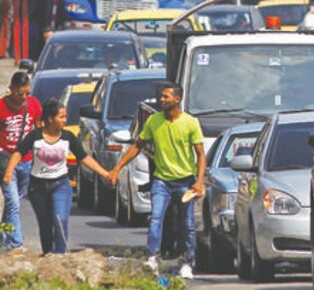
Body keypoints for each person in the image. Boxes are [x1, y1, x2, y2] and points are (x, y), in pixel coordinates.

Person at [108, 83, 205, 279]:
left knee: (187, 224)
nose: (162, 100)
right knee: (156, 218)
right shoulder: (153, 121)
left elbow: (201, 155)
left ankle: (187, 262)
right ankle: (152, 258)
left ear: (177, 99)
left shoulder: (190, 123)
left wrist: (199, 181)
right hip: (161, 180)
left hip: (185, 181)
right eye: (161, 97)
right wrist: (117, 168)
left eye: (166, 97)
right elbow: (137, 146)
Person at [3, 99, 111, 254]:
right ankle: (48, 255)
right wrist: (8, 173)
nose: (64, 120)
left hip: (60, 185)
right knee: (45, 224)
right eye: (61, 117)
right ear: (50, 119)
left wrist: (105, 174)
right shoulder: (35, 137)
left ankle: (60, 255)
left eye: (65, 117)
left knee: (60, 219)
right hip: (38, 187)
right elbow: (18, 153)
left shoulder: (68, 137)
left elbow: (84, 158)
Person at [0, 71, 41, 250]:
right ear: (11, 89)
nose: (23, 97)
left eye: (27, 93)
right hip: (6, 160)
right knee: (13, 202)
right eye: (19, 93)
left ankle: (3, 238)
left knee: (13, 204)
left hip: (26, 160)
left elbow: (39, 129)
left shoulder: (33, 105)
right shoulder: (1, 107)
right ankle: (16, 245)